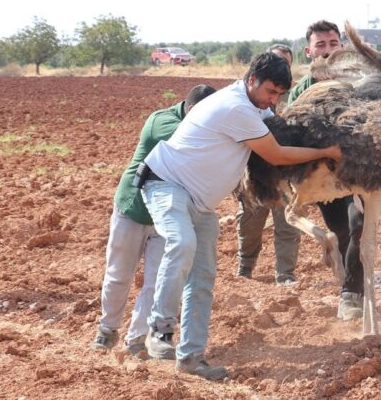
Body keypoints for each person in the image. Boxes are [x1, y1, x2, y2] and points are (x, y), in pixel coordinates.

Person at [142, 52, 341, 380]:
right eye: (270, 92)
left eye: (279, 95)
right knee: (181, 243)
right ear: (251, 80)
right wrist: (326, 151)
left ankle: (191, 357)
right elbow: (276, 154)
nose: (272, 101)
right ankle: (160, 330)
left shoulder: (251, 107)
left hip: (202, 203)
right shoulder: (236, 107)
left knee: (203, 277)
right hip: (168, 185)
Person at [91, 84, 216, 355]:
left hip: (167, 217)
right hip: (133, 210)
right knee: (118, 275)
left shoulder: (204, 128)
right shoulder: (161, 121)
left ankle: (136, 341)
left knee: (156, 281)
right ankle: (107, 329)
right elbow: (194, 143)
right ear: (191, 109)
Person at [288, 20, 364, 321]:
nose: (328, 50)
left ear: (341, 48)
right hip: (321, 180)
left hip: (358, 172)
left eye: (333, 44)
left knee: (358, 222)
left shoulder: (357, 86)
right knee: (343, 229)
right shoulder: (300, 93)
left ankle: (351, 294)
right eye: (321, 45)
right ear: (309, 51)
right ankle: (351, 285)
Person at [235, 43, 301, 285]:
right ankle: (245, 267)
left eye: (286, 63)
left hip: (284, 171)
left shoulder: (293, 96)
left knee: (288, 222)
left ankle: (285, 274)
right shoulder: (245, 101)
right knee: (251, 220)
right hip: (253, 171)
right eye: (277, 61)